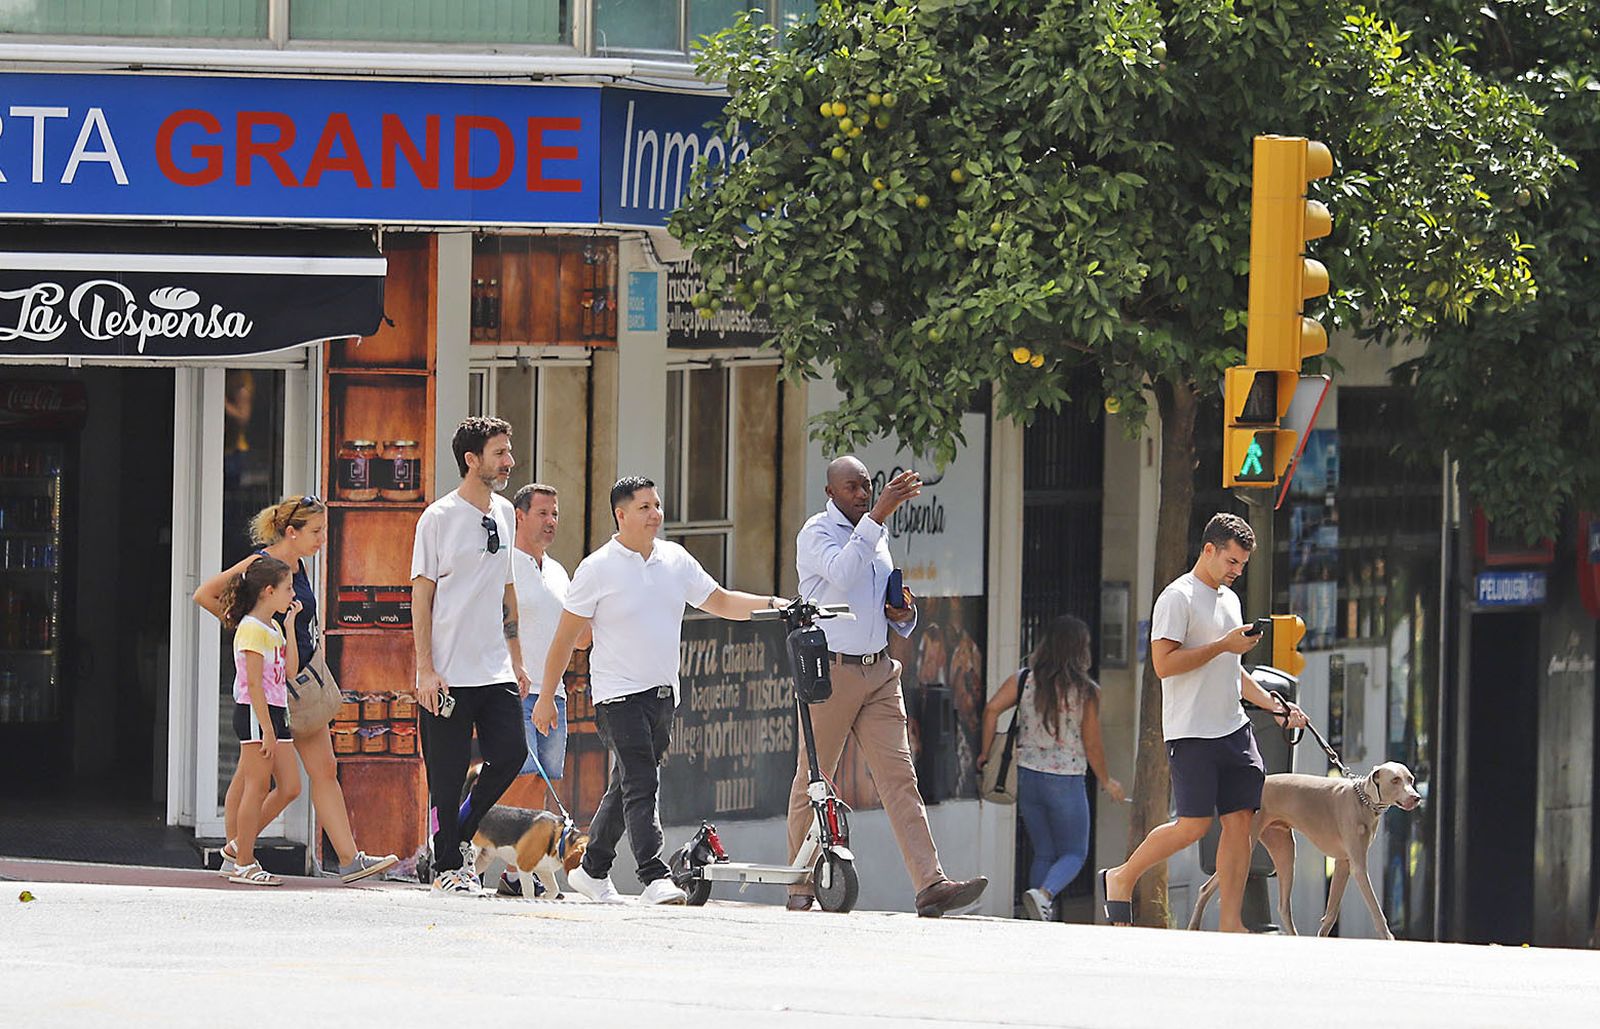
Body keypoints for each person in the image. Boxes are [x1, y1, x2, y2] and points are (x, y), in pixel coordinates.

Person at [533, 475, 784, 906]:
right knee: (643, 781)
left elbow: (720, 601)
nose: (655, 515)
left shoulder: (675, 559)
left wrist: (775, 605)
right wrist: (545, 697)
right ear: (621, 514)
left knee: (628, 783)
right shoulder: (596, 569)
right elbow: (564, 639)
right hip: (617, 696)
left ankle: (592, 870)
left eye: (657, 505)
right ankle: (654, 875)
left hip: (664, 694)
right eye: (645, 507)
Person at [789, 456, 988, 917]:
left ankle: (930, 884)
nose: (862, 494)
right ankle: (799, 888)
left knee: (900, 779)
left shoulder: (876, 536)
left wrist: (903, 614)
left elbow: (882, 600)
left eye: (867, 486)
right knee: (814, 780)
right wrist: (878, 515)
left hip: (879, 671)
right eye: (853, 488)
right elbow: (843, 574)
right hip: (832, 672)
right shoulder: (816, 533)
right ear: (831, 493)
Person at [1101, 513, 1307, 931]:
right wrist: (1222, 645)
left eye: (1242, 565)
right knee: (1193, 826)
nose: (1236, 572)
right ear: (1208, 549)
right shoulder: (1177, 598)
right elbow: (1163, 665)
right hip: (1191, 732)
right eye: (1232, 562)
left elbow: (1233, 668)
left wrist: (1274, 706)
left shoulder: (1230, 600)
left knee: (1240, 823)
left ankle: (1230, 921)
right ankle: (1121, 877)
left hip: (1234, 729)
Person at [194, 495, 398, 884]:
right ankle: (238, 853)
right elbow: (205, 593)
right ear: (292, 532)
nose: (323, 539)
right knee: (254, 778)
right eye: (317, 532)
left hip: (300, 681)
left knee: (323, 770)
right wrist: (253, 630)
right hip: (271, 686)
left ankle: (347, 858)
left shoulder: (300, 567)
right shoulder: (261, 564)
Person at [411, 417, 532, 895]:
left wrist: (517, 657)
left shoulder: (504, 512)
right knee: (445, 777)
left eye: (508, 451)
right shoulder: (437, 518)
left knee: (511, 755)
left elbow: (507, 590)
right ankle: (446, 868)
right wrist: (425, 668)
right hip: (446, 674)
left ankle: (455, 837)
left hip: (494, 668)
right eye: (500, 453)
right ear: (472, 460)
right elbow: (421, 595)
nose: (510, 461)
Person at [978, 614, 1126, 921]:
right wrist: (1107, 780)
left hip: (1027, 776)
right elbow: (1093, 744)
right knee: (1075, 852)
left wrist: (985, 753)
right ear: (1079, 650)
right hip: (1066, 780)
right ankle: (1044, 895)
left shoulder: (1024, 680)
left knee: (1044, 851)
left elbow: (992, 709)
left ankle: (1038, 915)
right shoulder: (1086, 691)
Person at [498, 482, 591, 897]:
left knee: (550, 780)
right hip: (515, 688)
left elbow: (579, 636)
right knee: (525, 780)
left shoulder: (557, 570)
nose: (551, 522)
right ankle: (512, 866)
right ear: (520, 515)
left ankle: (524, 866)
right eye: (542, 513)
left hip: (554, 693)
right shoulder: (506, 565)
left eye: (555, 514)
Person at [218, 555, 299, 886]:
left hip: (276, 712)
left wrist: (291, 627)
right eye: (288, 589)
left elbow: (290, 672)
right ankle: (244, 862)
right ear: (268, 591)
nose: (292, 595)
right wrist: (266, 727)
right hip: (256, 713)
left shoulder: (274, 626)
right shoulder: (251, 628)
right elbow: (252, 684)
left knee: (290, 786)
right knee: (258, 786)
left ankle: (237, 847)